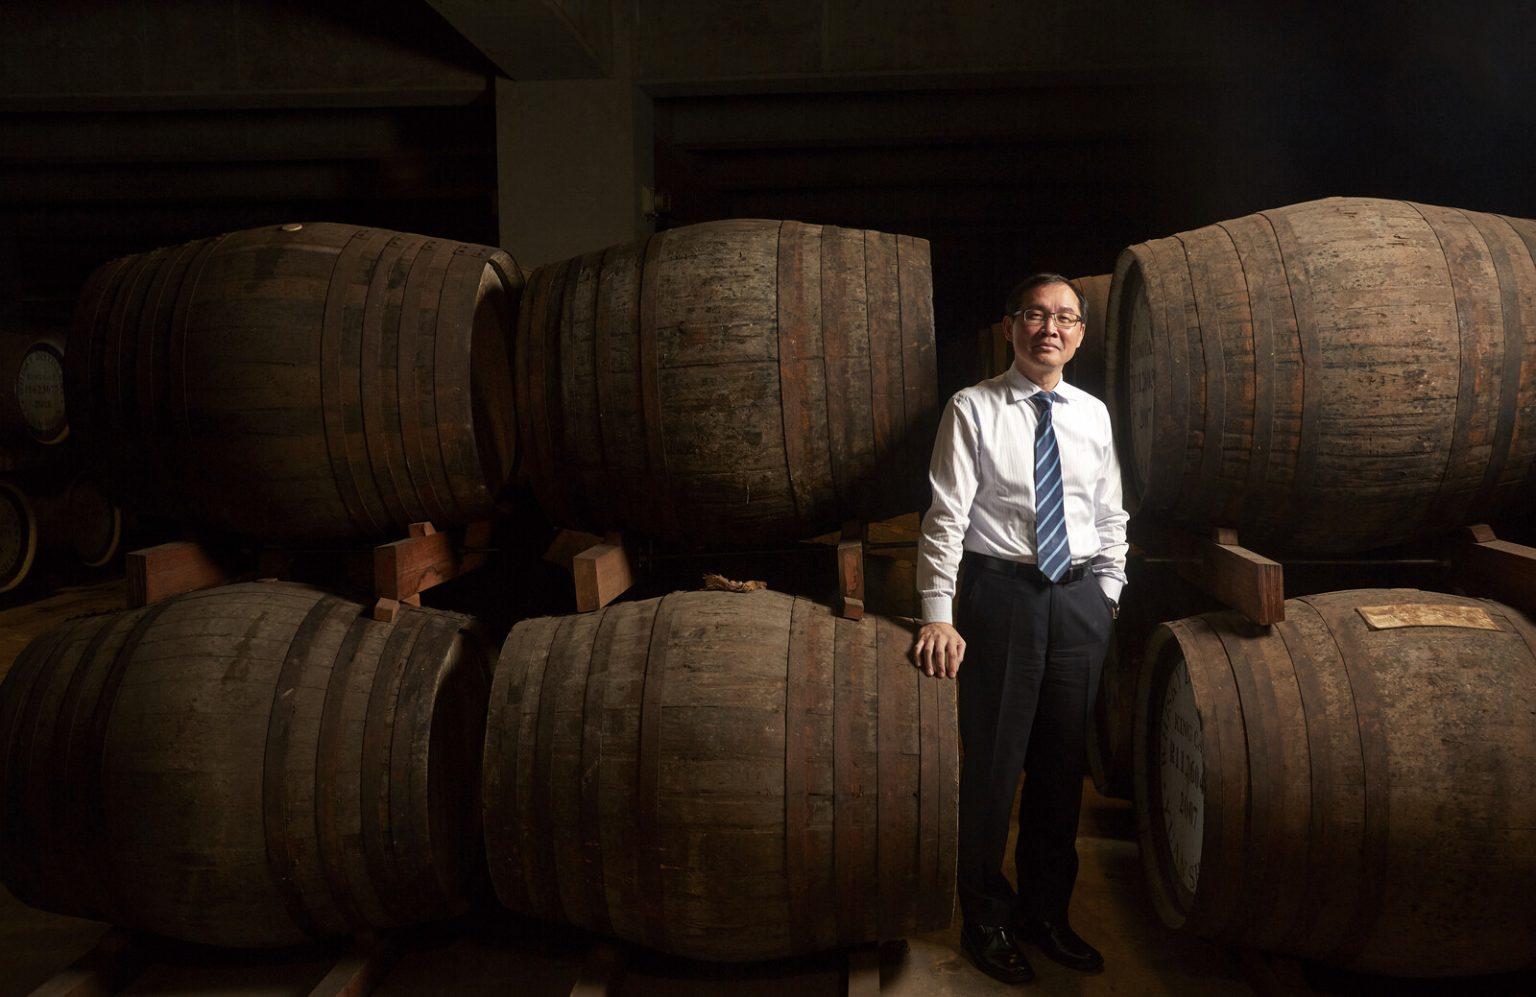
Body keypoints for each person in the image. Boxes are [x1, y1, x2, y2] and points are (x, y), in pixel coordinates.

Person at [914, 273, 1127, 985]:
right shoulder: (972, 408)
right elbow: (946, 517)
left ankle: (1045, 913)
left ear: (1080, 335)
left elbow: (1110, 514)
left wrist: (1108, 594)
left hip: (1077, 603)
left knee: (1063, 772)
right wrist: (938, 615)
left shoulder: (1093, 414)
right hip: (1000, 598)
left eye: (1065, 317)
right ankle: (985, 916)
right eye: (1036, 314)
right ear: (1013, 326)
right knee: (993, 770)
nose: (1050, 328)